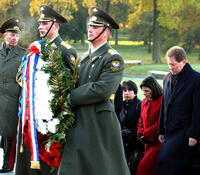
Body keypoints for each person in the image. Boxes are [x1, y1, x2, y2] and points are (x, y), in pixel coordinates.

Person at [58, 7, 130, 175]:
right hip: (80, 120)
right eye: (90, 26)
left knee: (102, 168)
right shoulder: (84, 57)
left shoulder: (113, 58)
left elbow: (102, 89)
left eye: (96, 27)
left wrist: (70, 97)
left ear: (107, 33)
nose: (90, 30)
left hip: (98, 123)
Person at [15, 5, 77, 175]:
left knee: (49, 163)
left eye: (44, 23)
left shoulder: (66, 51)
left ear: (55, 25)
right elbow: (21, 76)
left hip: (53, 118)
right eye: (39, 24)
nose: (40, 27)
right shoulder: (34, 49)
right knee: (29, 161)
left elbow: (70, 85)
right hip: (31, 114)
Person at [156, 46, 200, 175]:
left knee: (169, 165)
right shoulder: (167, 78)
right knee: (165, 166)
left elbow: (199, 110)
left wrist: (194, 134)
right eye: (169, 64)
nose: (171, 68)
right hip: (169, 132)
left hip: (186, 133)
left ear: (183, 62)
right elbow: (164, 105)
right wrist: (161, 130)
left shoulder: (198, 80)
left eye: (174, 65)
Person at [0, 18, 25, 173]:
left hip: (12, 100)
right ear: (4, 36)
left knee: (9, 133)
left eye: (16, 35)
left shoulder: (24, 54)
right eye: (11, 35)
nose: (14, 38)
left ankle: (7, 164)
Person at [136, 76, 162, 175]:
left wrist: (146, 134)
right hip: (146, 143)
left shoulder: (162, 101)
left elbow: (160, 123)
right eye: (143, 91)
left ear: (154, 89)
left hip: (157, 143)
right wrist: (140, 133)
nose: (144, 93)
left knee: (143, 169)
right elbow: (141, 120)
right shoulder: (144, 102)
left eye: (147, 91)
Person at [119, 80, 142, 162]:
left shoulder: (140, 104)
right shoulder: (121, 105)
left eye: (129, 90)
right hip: (122, 141)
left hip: (135, 143)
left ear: (135, 91)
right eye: (124, 90)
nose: (126, 93)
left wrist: (128, 132)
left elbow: (141, 125)